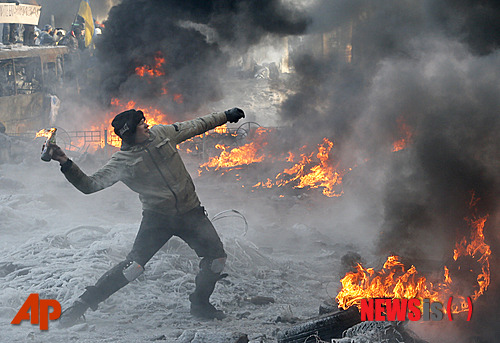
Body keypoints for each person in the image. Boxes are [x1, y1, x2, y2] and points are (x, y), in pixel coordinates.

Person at [50, 108, 245, 327]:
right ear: (129, 133)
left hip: (191, 213)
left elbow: (197, 124)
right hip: (158, 219)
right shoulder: (121, 162)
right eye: (140, 124)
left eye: (144, 121)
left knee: (216, 258)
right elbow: (89, 185)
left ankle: (200, 304)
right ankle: (82, 304)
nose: (146, 125)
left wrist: (226, 116)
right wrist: (65, 162)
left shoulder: (163, 134)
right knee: (133, 267)